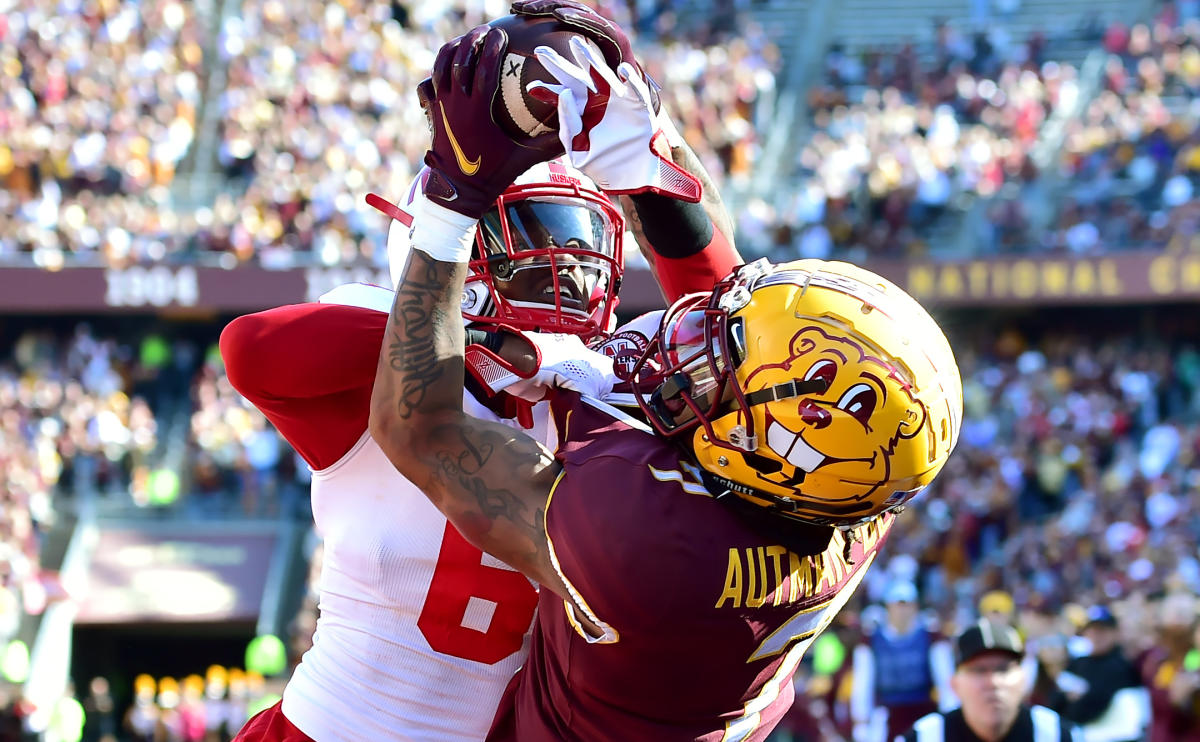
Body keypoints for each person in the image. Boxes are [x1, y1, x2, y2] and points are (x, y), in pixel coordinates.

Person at [367, 19, 963, 740]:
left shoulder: (644, 534)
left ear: (774, 442)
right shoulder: (857, 491)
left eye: (725, 364)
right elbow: (725, 285)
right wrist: (644, 151)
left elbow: (420, 431)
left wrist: (451, 200)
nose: (694, 341)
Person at [222, 8, 740, 740]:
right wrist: (450, 321)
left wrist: (654, 168)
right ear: (453, 245)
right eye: (529, 238)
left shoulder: (602, 388)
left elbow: (735, 328)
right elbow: (254, 350)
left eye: (577, 236)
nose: (562, 264)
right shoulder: (376, 366)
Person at [898, 620, 1077, 742]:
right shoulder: (925, 736)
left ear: (1023, 679)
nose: (993, 682)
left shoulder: (1058, 734)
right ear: (955, 684)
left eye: (1003, 669)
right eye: (978, 670)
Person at [851, 581, 955, 742]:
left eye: (906, 605)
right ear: (888, 607)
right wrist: (861, 720)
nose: (902, 611)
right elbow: (863, 682)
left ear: (915, 607)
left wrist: (950, 715)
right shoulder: (871, 640)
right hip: (886, 713)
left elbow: (946, 680)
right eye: (897, 605)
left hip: (923, 710)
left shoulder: (931, 637)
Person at [1049, 605, 1148, 742]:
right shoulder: (1078, 662)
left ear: (1115, 633)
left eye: (1102, 630)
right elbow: (1054, 701)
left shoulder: (1121, 666)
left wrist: (1073, 698)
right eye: (1092, 630)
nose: (1097, 636)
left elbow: (1091, 708)